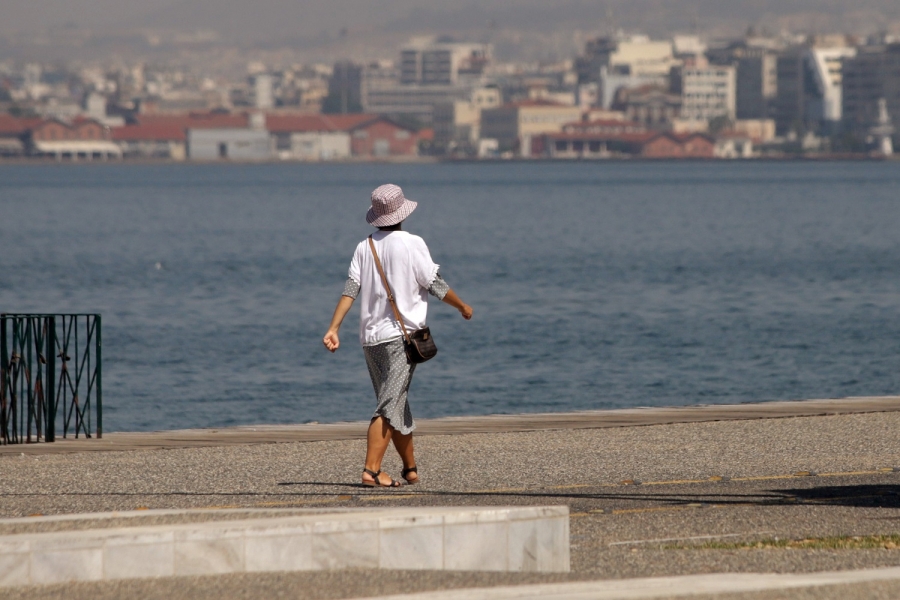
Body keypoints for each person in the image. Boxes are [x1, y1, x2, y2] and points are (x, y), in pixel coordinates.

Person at [323, 184, 473, 488]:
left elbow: (350, 291)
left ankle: (410, 469)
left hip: (370, 340)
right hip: (401, 341)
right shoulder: (412, 243)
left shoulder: (365, 247)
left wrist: (334, 327)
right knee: (388, 406)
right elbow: (434, 283)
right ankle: (371, 471)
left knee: (395, 402)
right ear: (403, 212)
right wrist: (462, 306)